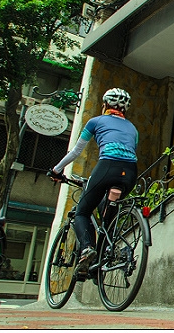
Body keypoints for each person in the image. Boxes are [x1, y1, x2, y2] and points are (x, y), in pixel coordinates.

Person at [48, 88, 138, 277]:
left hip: (107, 166)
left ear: (105, 105)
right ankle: (101, 263)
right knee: (108, 216)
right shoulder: (132, 128)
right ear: (125, 110)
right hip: (129, 173)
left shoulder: (95, 122)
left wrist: (56, 170)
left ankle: (88, 248)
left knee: (82, 212)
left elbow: (75, 152)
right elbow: (129, 152)